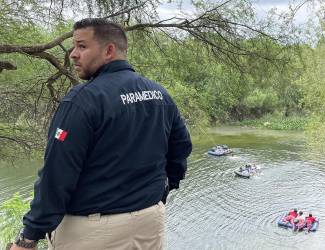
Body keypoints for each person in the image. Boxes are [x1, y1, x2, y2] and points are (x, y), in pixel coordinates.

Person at [11, 18, 192, 250]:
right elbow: (181, 150)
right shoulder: (159, 94)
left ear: (109, 50)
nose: (73, 54)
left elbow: (56, 175)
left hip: (94, 233)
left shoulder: (83, 100)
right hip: (148, 222)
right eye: (73, 46)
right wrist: (162, 192)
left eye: (82, 46)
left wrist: (28, 237)